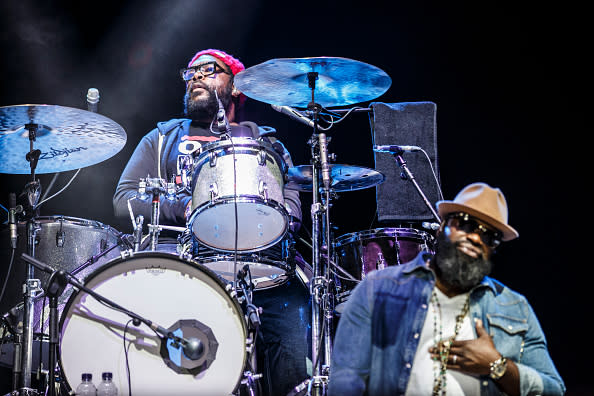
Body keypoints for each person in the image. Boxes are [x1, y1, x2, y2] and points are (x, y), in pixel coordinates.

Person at [113, 48, 311, 396]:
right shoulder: (162, 138)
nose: (196, 77)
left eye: (208, 69)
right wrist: (184, 206)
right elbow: (123, 199)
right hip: (182, 264)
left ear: (236, 86)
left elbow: (292, 197)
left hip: (261, 263)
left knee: (296, 315)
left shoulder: (266, 141)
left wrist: (285, 220)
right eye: (189, 73)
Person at [328, 182, 565, 396]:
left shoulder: (514, 307)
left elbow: (553, 389)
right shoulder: (377, 290)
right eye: (466, 224)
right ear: (442, 227)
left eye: (489, 236)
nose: (475, 238)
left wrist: (498, 366)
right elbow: (346, 380)